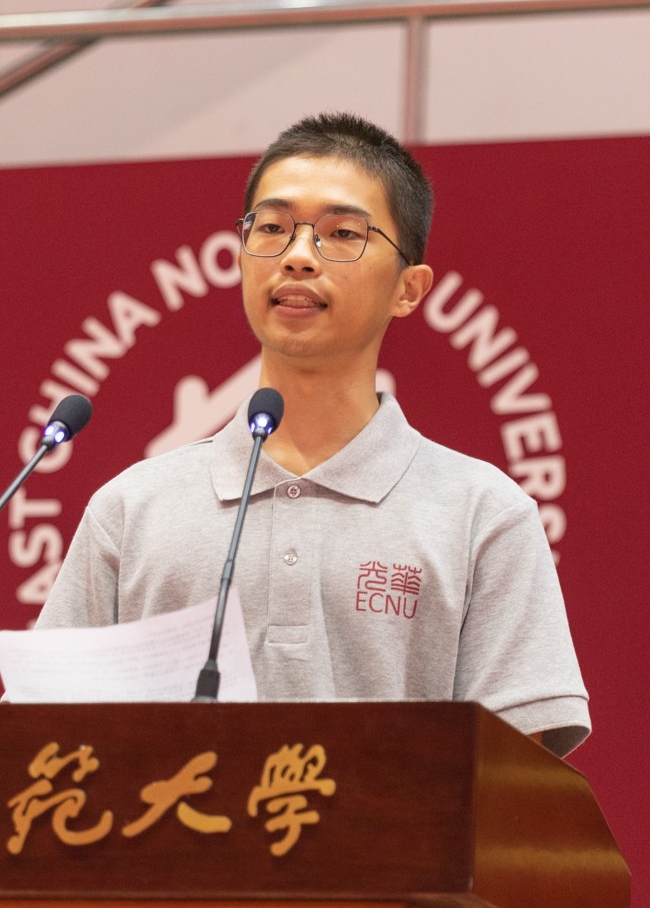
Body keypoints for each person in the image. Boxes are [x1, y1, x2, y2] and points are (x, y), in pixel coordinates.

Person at [37, 112, 589, 755]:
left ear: (409, 289)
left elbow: (519, 775)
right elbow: (41, 745)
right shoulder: (133, 508)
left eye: (342, 234)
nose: (297, 257)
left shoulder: (481, 513)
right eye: (272, 229)